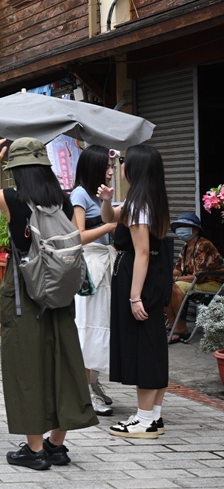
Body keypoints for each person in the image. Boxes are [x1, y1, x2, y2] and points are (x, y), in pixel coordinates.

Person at [0, 138, 97, 470]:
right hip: (62, 298)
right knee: (65, 364)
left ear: (17, 171)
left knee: (26, 367)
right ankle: (57, 446)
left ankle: (34, 451)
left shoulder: (12, 198)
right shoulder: (64, 202)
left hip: (24, 294)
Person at [98, 144, 172, 439]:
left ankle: (144, 421)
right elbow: (108, 218)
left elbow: (142, 253)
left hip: (140, 280)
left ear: (136, 169)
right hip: (150, 279)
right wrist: (106, 200)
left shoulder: (140, 206)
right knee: (153, 346)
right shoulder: (146, 201)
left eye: (126, 162)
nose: (122, 167)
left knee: (145, 349)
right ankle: (152, 416)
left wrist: (134, 296)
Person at [70, 145, 119, 416]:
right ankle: (85, 389)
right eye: (107, 168)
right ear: (94, 169)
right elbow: (77, 236)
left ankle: (94, 382)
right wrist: (110, 225)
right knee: (88, 325)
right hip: (89, 266)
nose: (111, 172)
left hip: (104, 263)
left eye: (112, 168)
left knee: (100, 324)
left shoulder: (101, 194)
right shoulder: (79, 194)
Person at [164, 212, 224, 342]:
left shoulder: (203, 245)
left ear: (196, 230)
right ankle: (173, 323)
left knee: (177, 286)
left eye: (184, 226)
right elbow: (178, 270)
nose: (180, 229)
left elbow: (200, 276)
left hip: (212, 282)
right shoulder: (185, 248)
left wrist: (175, 279)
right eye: (179, 226)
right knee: (162, 284)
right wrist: (165, 274)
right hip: (196, 281)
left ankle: (181, 328)